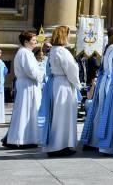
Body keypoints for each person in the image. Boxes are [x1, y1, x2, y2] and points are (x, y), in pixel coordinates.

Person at [38, 25, 81, 157]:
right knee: (64, 116)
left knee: (57, 115)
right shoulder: (62, 51)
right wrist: (77, 84)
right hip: (64, 85)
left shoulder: (53, 50)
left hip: (56, 83)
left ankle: (59, 144)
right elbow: (71, 69)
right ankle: (60, 145)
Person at [81, 28, 113, 149]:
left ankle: (93, 140)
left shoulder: (109, 47)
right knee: (105, 112)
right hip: (110, 82)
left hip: (104, 81)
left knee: (99, 111)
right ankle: (99, 141)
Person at [4, 32, 43, 148]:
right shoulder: (25, 53)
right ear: (26, 42)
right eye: (33, 40)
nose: (36, 42)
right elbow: (31, 71)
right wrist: (42, 74)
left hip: (27, 84)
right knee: (26, 111)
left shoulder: (25, 52)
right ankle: (22, 139)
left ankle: (27, 138)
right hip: (28, 85)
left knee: (27, 111)